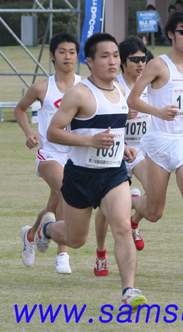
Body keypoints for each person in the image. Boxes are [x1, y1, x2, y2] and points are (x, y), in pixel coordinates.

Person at [35, 32, 147, 309]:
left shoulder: (121, 91)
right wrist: (90, 142)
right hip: (81, 176)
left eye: (115, 56)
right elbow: (53, 132)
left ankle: (129, 290)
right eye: (104, 56)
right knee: (75, 239)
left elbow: (113, 130)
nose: (112, 61)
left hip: (113, 174)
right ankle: (45, 230)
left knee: (121, 226)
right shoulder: (80, 93)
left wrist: (121, 148)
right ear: (90, 61)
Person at [128, 8, 183, 289]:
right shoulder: (158, 66)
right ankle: (133, 203)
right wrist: (158, 111)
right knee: (154, 213)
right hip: (159, 144)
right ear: (170, 35)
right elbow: (132, 99)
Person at [15, 32, 81, 274]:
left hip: (77, 154)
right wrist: (28, 133)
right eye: (62, 51)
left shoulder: (86, 86)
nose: (68, 56)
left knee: (54, 205)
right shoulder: (42, 87)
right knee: (67, 191)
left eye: (72, 52)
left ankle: (31, 234)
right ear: (52, 56)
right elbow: (20, 110)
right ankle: (62, 254)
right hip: (50, 152)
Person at [93, 36, 151, 277]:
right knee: (105, 211)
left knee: (156, 195)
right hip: (114, 152)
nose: (140, 64)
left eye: (143, 59)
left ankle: (134, 219)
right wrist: (122, 117)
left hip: (140, 152)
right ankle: (100, 252)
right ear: (123, 62)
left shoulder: (150, 83)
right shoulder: (114, 86)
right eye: (134, 59)